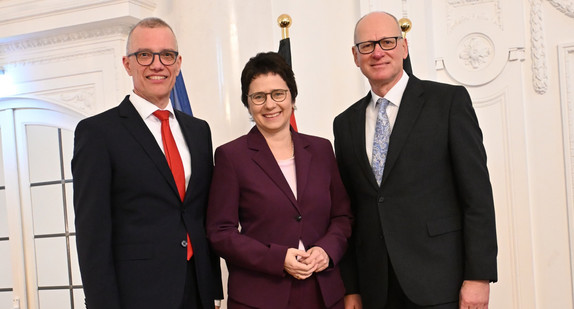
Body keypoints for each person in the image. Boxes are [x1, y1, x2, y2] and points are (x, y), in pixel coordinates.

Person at [333, 11, 498, 309]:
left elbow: (477, 197)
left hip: (440, 282)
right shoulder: (344, 124)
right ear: (355, 56)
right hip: (375, 288)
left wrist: (479, 276)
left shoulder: (448, 102)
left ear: (404, 47)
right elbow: (348, 211)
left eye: (387, 41)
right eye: (367, 46)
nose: (378, 52)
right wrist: (351, 287)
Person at [72, 17, 223, 309]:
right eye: (145, 55)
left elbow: (200, 215)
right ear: (127, 64)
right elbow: (92, 233)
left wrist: (213, 289)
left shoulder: (198, 130)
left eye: (166, 55)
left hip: (197, 290)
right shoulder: (98, 133)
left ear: (178, 64)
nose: (157, 65)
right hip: (137, 296)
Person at [206, 52, 353, 309]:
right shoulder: (231, 156)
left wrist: (326, 251)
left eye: (278, 93)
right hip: (260, 296)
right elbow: (220, 233)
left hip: (324, 293)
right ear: (248, 103)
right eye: (259, 97)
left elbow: (342, 217)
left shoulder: (321, 149)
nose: (270, 104)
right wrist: (277, 258)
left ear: (292, 97)